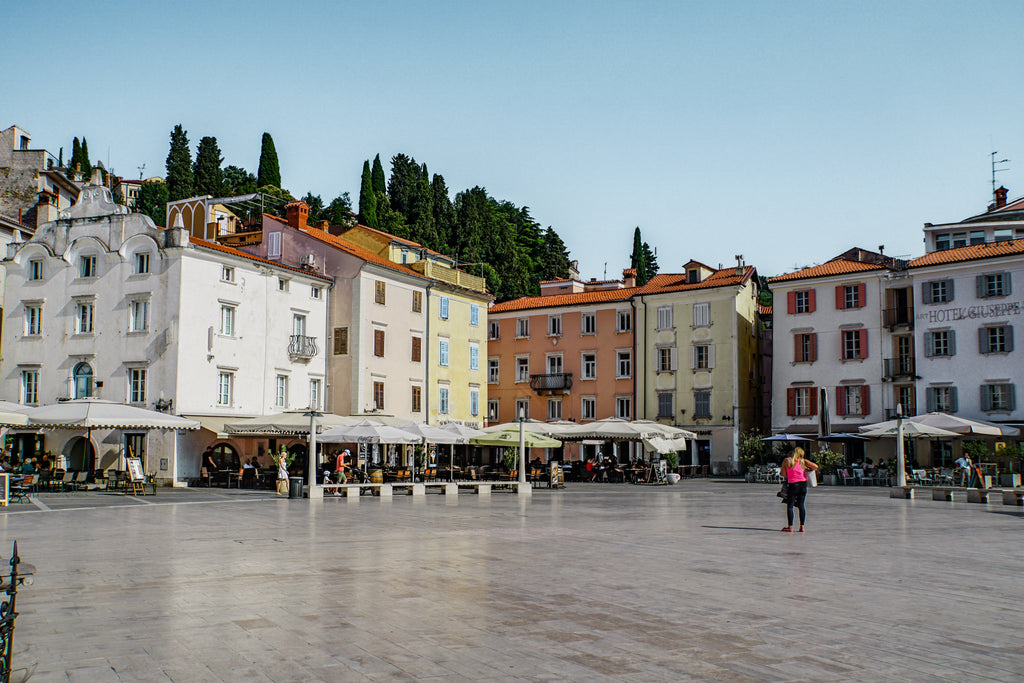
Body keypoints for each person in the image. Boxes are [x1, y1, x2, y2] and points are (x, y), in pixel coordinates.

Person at [780, 447, 818, 533]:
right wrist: (808, 469)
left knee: (790, 506)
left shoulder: (787, 460)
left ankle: (790, 527)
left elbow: (783, 474)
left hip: (793, 485)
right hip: (803, 484)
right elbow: (815, 466)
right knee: (801, 505)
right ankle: (802, 527)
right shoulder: (803, 461)